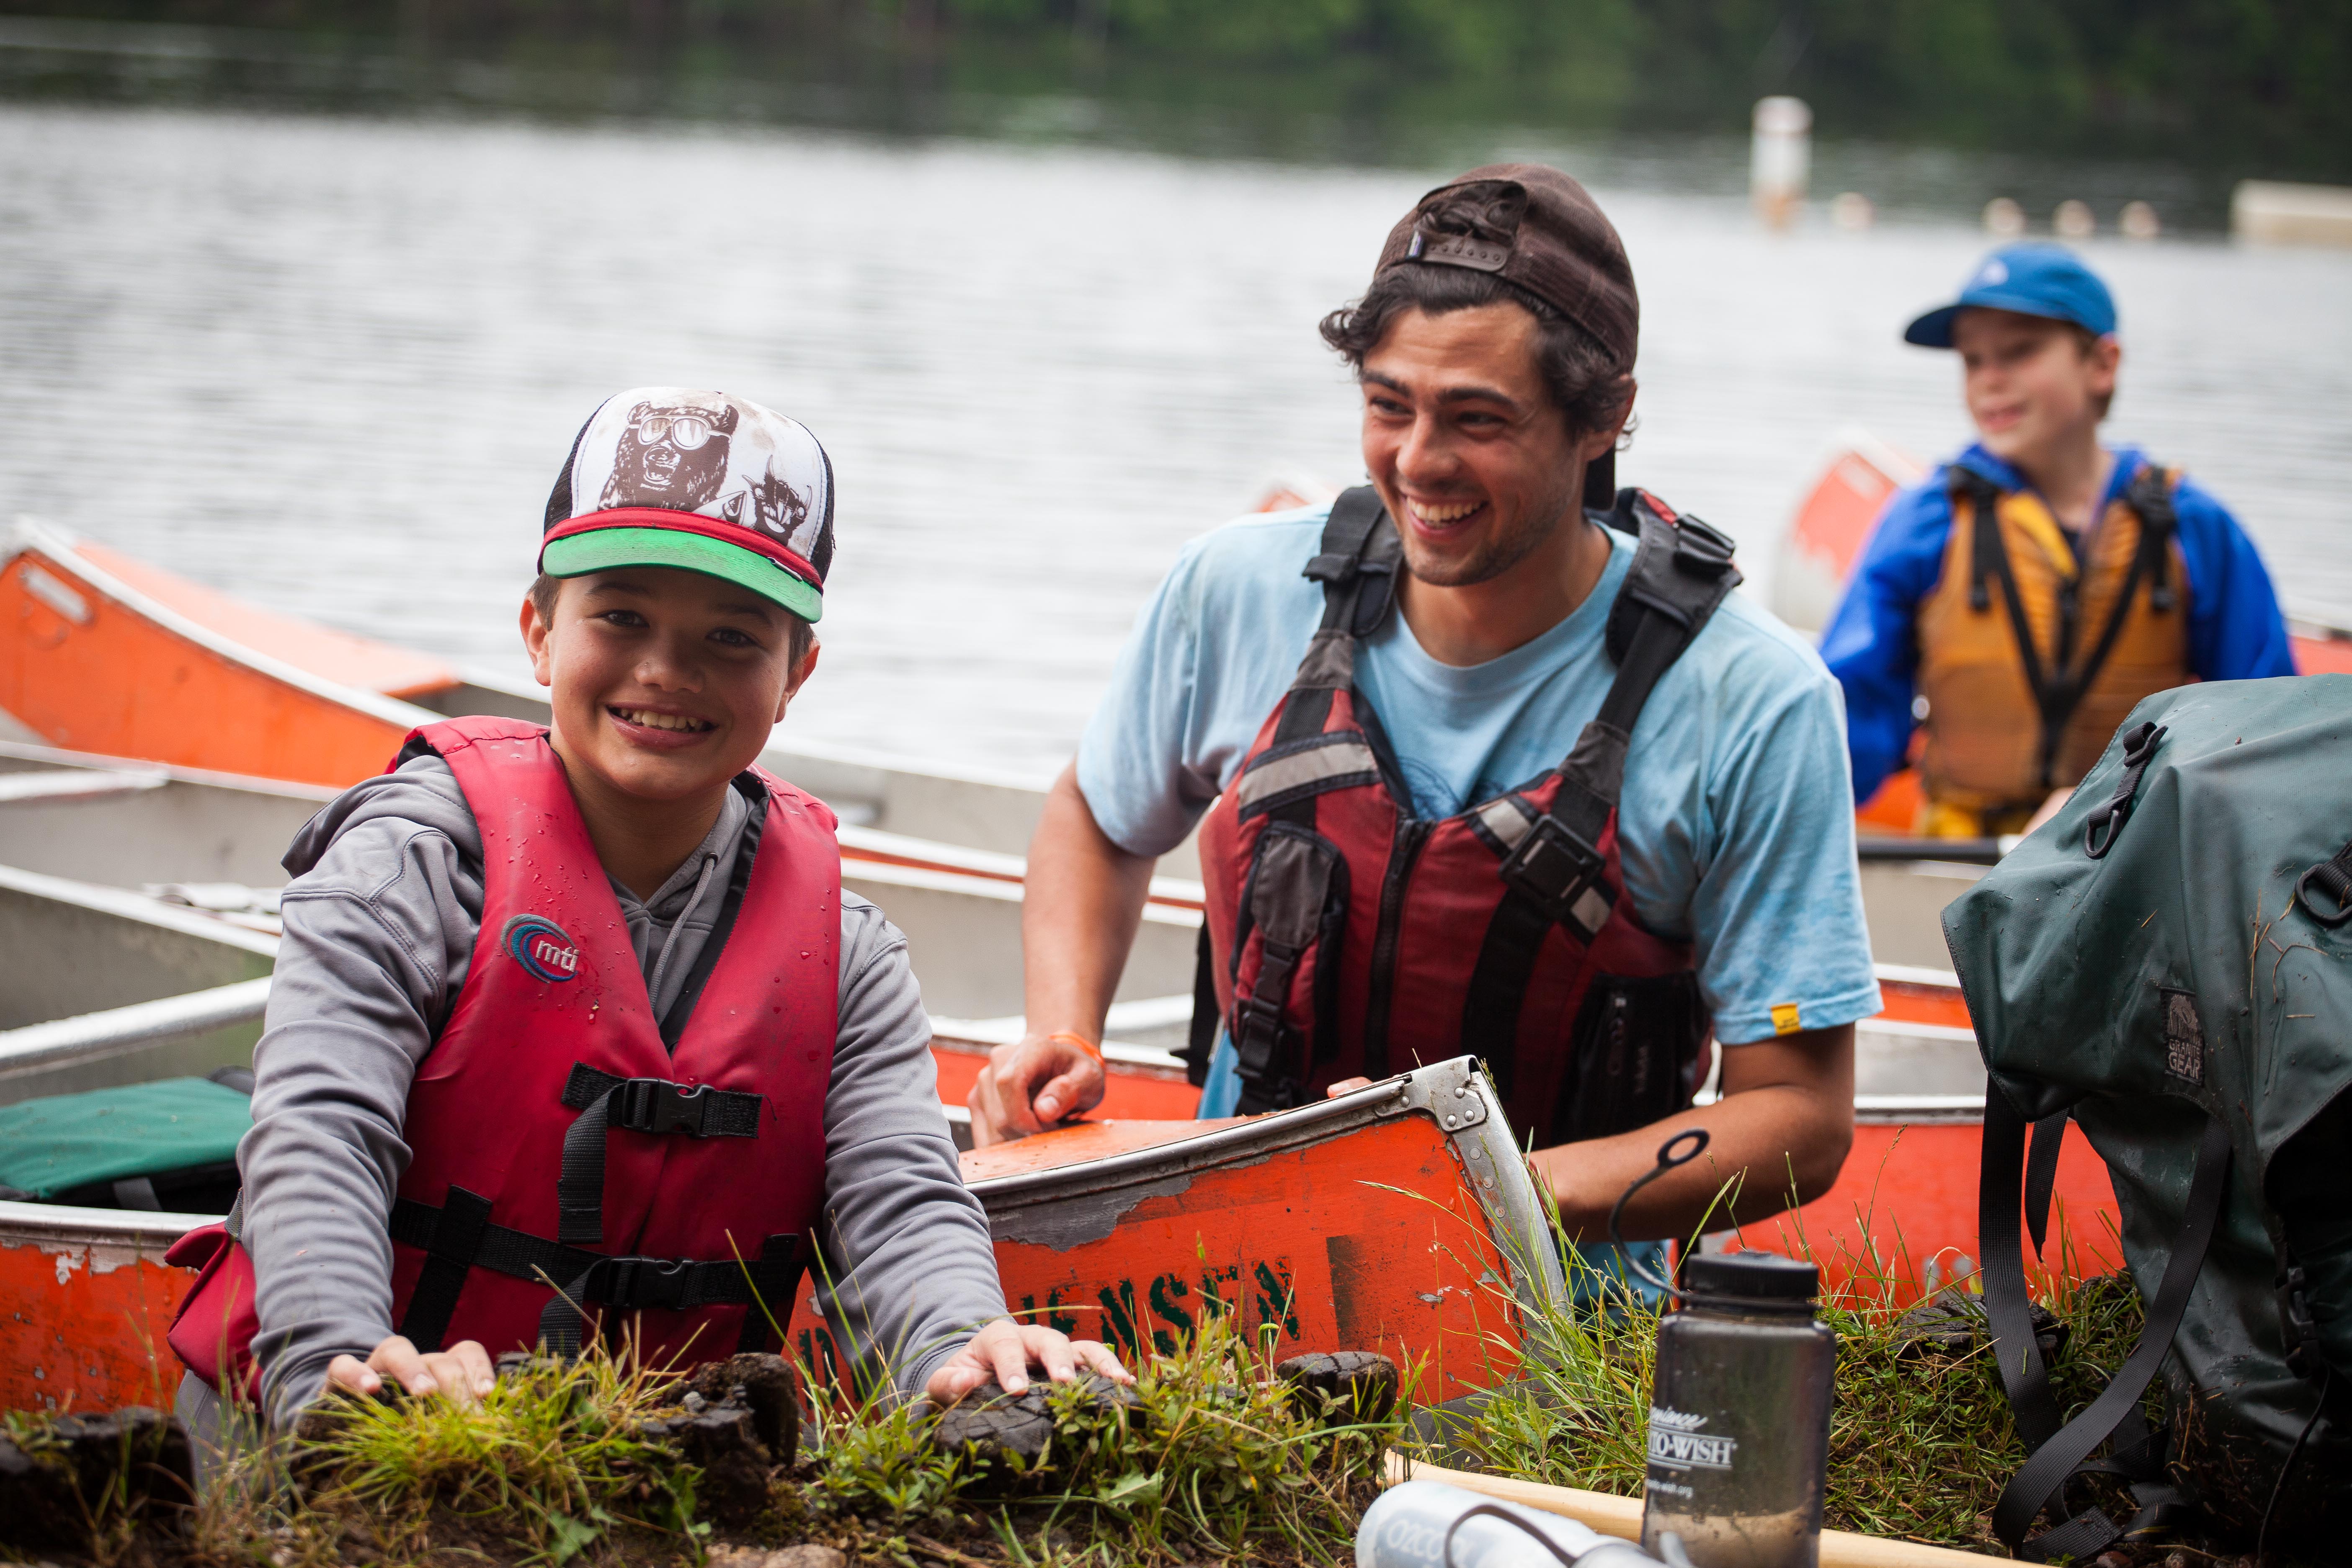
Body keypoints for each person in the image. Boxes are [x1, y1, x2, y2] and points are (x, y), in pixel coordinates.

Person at [966, 167, 1878, 1271]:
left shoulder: (1756, 700)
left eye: (1478, 420)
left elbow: (1801, 1117)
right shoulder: (1241, 586)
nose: (1418, 462)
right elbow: (1099, 818)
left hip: (1562, 1336)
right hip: (1227, 1274)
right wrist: (1065, 1030)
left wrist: (1472, 1187)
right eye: (1388, 405)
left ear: (1606, 417)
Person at [173, 387, 1126, 1441]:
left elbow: (899, 1200)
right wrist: (333, 1355)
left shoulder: (848, 956)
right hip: (338, 1407)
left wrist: (961, 1342)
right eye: (621, 616)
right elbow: (321, 1131)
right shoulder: (409, 863)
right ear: (539, 633)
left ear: (795, 674)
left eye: (731, 636)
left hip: (662, 1455)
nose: (668, 671)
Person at [1822, 243, 2295, 839]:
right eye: (1972, 360)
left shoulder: (2193, 528)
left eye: (2019, 353)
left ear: (2102, 363)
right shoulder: (1926, 522)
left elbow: (2268, 733)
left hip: (2128, 861)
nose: (1990, 380)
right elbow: (1850, 717)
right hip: (1963, 866)